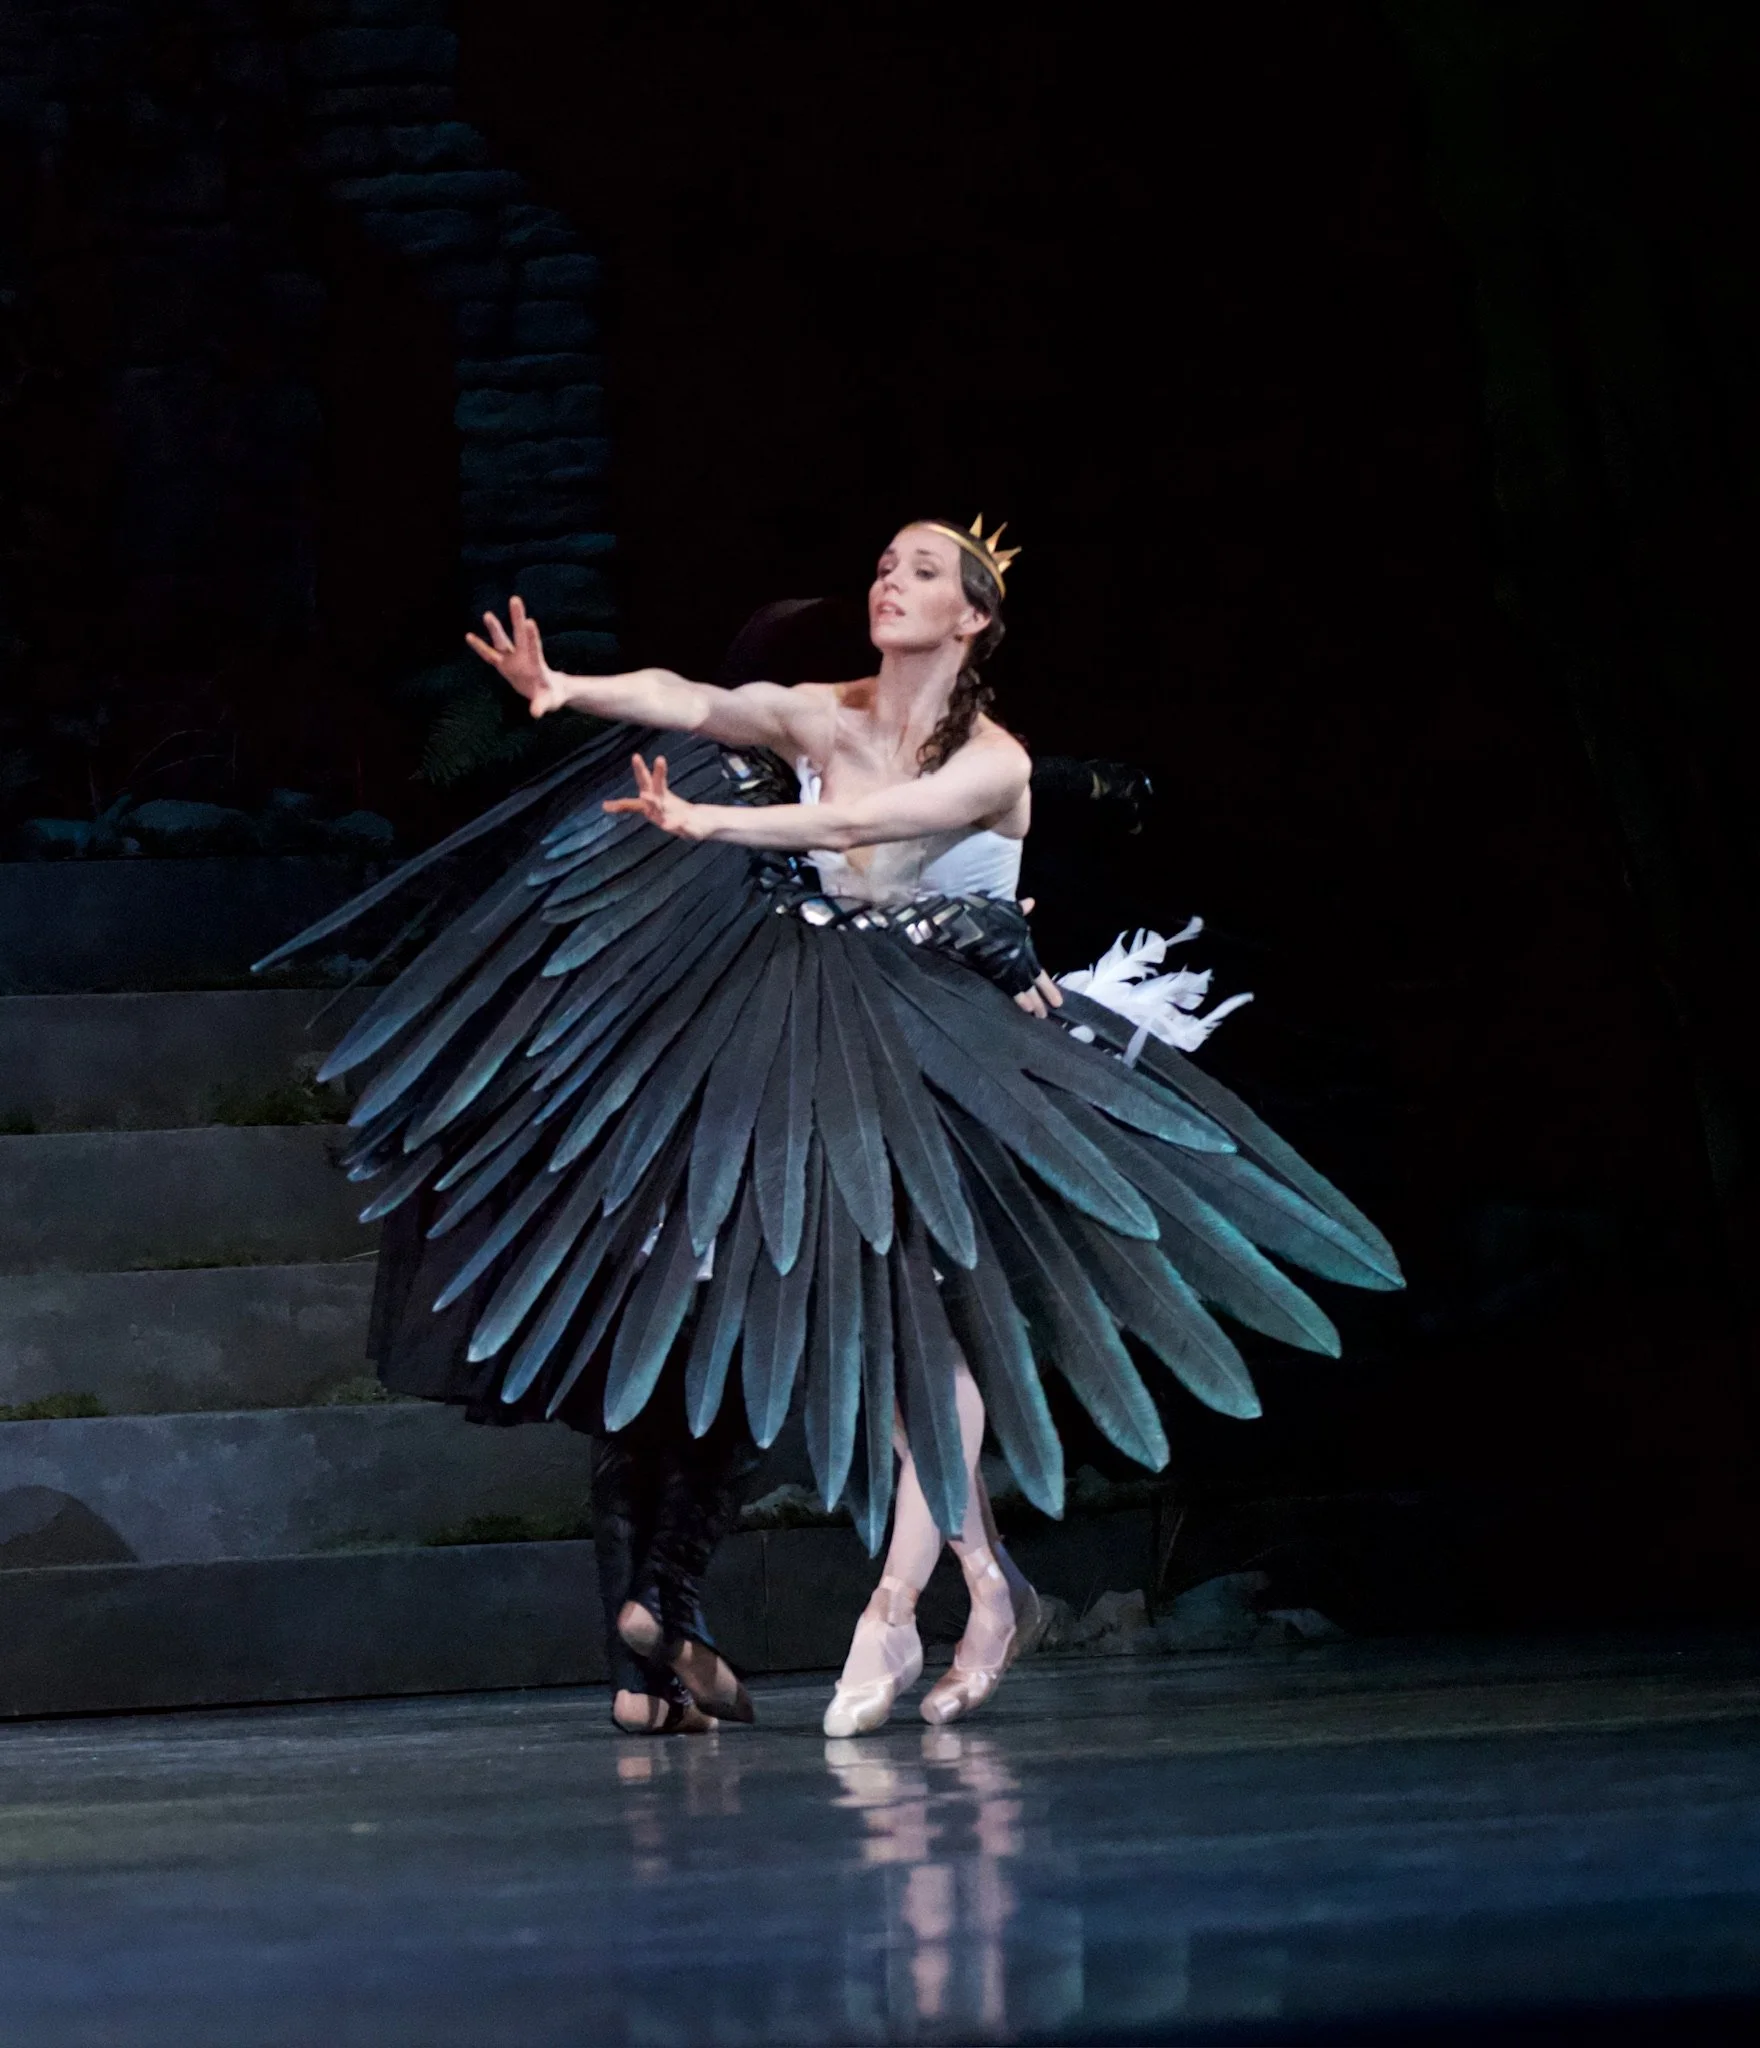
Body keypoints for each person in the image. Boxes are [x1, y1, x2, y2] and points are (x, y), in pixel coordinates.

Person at [259, 515, 1403, 1736]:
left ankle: (901, 1605)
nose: (888, 579)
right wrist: (569, 686)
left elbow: (857, 832)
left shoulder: (996, 760)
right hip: (838, 1034)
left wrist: (714, 827)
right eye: (883, 563)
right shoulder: (828, 711)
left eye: (920, 570)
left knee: (943, 1347)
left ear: (970, 615)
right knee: (908, 1352)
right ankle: (969, 1590)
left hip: (950, 1046)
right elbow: (697, 699)